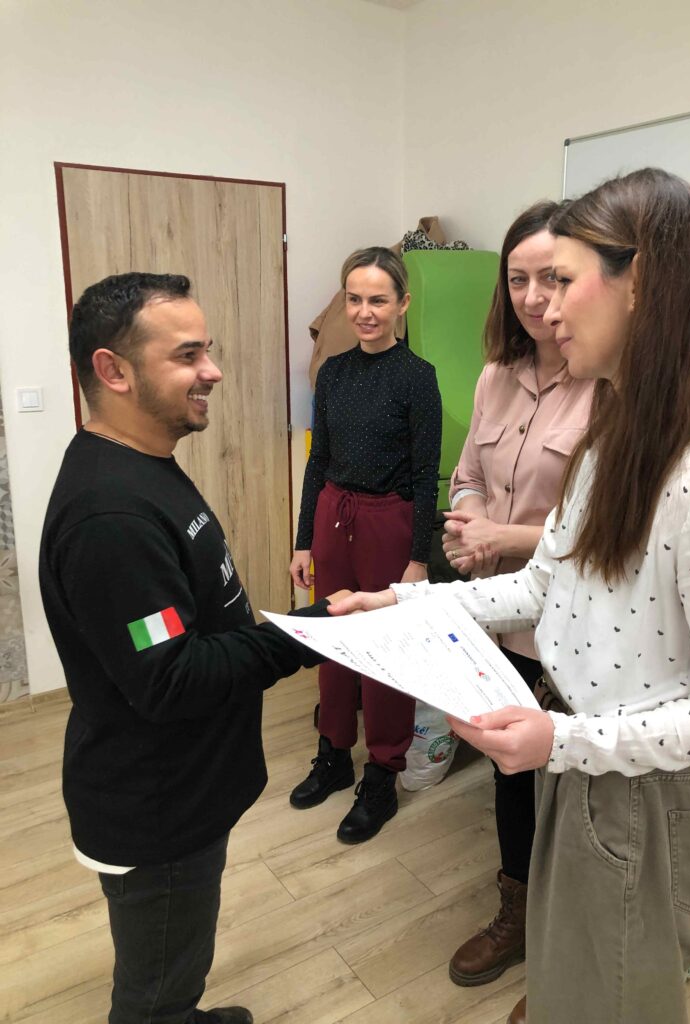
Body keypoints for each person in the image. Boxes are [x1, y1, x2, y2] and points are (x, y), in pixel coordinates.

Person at [330, 169, 690, 1024]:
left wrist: (562, 739)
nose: (545, 308)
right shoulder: (615, 435)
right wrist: (403, 605)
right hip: (578, 758)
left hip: (637, 788)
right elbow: (544, 582)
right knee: (578, 982)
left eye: (563, 280)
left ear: (642, 285)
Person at [39, 273, 348, 1024]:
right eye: (187, 355)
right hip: (157, 808)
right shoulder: (110, 517)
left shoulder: (141, 467)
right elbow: (170, 677)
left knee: (178, 964)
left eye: (207, 350)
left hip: (187, 786)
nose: (213, 370)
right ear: (113, 370)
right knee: (155, 992)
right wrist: (307, 633)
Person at [440, 201, 594, 987]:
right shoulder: (496, 375)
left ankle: (570, 940)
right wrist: (470, 521)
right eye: (518, 279)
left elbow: (608, 534)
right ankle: (518, 910)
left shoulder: (609, 383)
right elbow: (467, 474)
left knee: (573, 790)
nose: (535, 298)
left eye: (553, 278)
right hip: (495, 616)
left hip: (575, 629)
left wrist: (503, 537)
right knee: (508, 776)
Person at [289, 246, 441, 843]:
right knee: (332, 639)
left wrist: (419, 558)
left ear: (402, 304)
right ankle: (333, 753)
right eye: (354, 299)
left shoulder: (418, 377)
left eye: (378, 299)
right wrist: (304, 540)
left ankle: (381, 774)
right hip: (334, 514)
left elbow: (425, 475)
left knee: (384, 651)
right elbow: (317, 461)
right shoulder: (333, 372)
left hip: (389, 523)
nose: (364, 312)